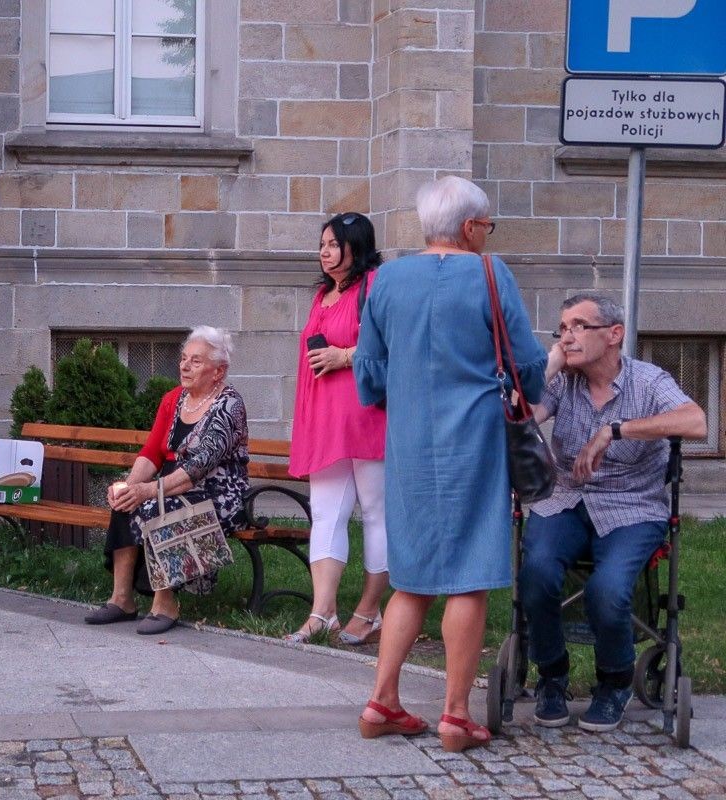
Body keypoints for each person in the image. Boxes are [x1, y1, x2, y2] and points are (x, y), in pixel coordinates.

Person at [352, 176, 547, 751]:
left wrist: (405, 395)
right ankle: (456, 714)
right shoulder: (489, 274)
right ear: (469, 227)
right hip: (476, 441)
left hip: (410, 442)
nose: (487, 235)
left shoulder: (385, 280)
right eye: (486, 226)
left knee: (410, 574)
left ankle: (381, 699)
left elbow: (368, 371)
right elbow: (528, 363)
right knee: (468, 575)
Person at [523, 294, 706, 733]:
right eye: (562, 328)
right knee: (536, 574)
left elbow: (696, 421)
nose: (568, 336)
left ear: (614, 334)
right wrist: (549, 364)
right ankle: (552, 675)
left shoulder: (648, 381)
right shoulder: (562, 381)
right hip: (565, 498)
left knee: (608, 589)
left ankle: (615, 681)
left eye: (579, 326)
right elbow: (516, 418)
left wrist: (615, 430)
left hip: (633, 506)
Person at [84, 326, 250, 636]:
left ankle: (165, 602)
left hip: (219, 493)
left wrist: (148, 490)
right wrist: (130, 486)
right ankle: (122, 599)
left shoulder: (229, 405)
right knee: (128, 504)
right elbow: (151, 453)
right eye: (184, 358)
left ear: (219, 370)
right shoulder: (174, 399)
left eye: (196, 361)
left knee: (161, 504)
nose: (185, 366)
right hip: (173, 483)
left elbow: (199, 468)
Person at [286, 212, 388, 646]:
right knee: (327, 512)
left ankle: (369, 610)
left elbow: (393, 342)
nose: (324, 252)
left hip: (368, 417)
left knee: (375, 513)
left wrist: (344, 357)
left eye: (333, 244)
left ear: (356, 245)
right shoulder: (322, 294)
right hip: (326, 418)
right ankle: (322, 612)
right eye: (321, 244)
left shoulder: (377, 285)